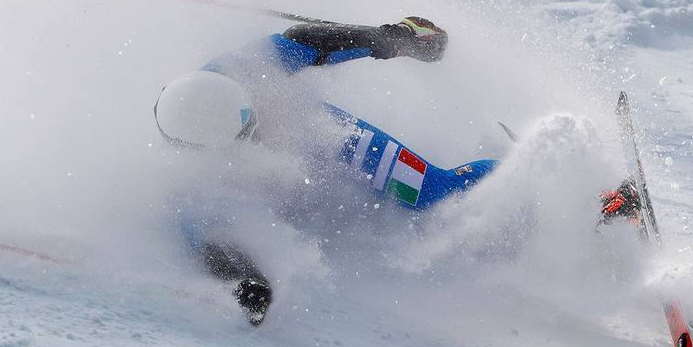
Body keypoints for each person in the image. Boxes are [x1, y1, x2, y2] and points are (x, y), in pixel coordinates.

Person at [154, 17, 639, 325]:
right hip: (289, 194)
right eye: (246, 136)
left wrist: (399, 38)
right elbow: (207, 242)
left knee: (436, 196)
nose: (255, 134)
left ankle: (584, 203)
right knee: (376, 223)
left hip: (323, 134)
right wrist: (248, 283)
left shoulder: (234, 71)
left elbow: (310, 41)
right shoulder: (194, 183)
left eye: (252, 119)